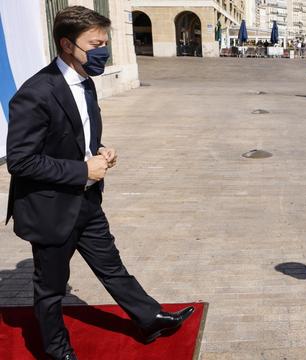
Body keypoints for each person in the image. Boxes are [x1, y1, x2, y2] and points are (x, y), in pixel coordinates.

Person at [5, 7, 195, 360]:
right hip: (50, 209)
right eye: (95, 44)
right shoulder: (36, 93)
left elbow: (78, 139)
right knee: (50, 289)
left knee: (111, 266)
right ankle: (56, 351)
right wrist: (82, 170)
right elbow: (20, 159)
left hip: (87, 201)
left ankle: (149, 318)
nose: (102, 51)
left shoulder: (86, 83)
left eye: (105, 43)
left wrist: (101, 152)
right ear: (66, 44)